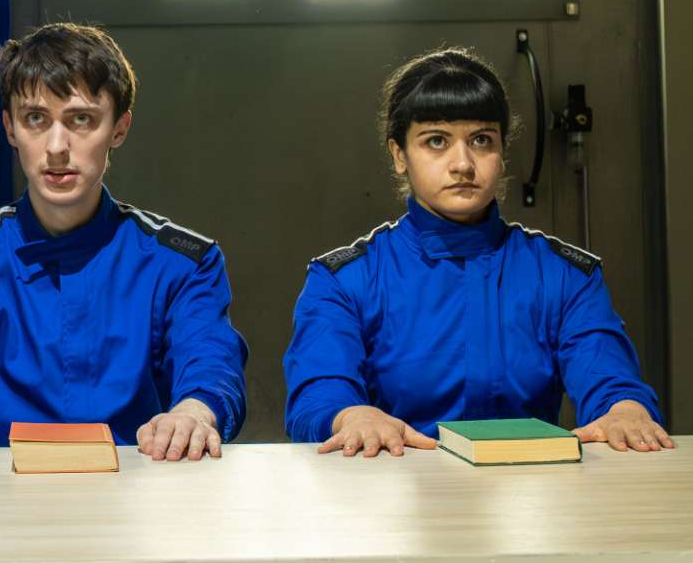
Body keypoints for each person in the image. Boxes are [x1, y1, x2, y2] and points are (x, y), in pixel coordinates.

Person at [284, 45, 670, 458]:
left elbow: (609, 380)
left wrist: (626, 410)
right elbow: (318, 395)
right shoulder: (343, 281)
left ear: (502, 152)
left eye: (481, 140)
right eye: (436, 141)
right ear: (399, 155)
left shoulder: (565, 275)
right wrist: (351, 416)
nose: (463, 164)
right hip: (396, 484)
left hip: (529, 487)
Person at [0, 21, 248, 463]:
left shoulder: (185, 263)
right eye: (35, 119)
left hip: (136, 489)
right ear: (10, 128)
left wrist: (195, 412)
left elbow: (211, 368)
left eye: (81, 119)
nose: (57, 146)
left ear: (119, 128)